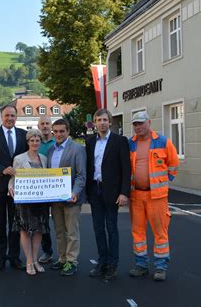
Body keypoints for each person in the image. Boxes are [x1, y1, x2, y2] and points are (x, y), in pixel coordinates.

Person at [128, 111, 179, 281]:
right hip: (136, 195)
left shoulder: (162, 142)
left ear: (149, 122)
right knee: (138, 232)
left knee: (160, 232)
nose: (138, 127)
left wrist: (164, 181)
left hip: (157, 197)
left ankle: (160, 267)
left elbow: (173, 164)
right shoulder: (131, 144)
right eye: (135, 124)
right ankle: (141, 265)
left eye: (141, 123)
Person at [85, 109, 131, 281]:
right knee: (98, 229)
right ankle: (102, 262)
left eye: (105, 120)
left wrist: (124, 192)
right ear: (94, 123)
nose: (102, 123)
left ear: (110, 122)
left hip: (112, 192)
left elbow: (126, 169)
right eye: (98, 120)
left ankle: (113, 265)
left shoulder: (120, 141)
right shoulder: (89, 142)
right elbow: (89, 168)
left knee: (111, 228)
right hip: (95, 191)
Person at [0, 105, 28, 271]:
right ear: (1, 117)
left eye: (13, 115)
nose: (10, 118)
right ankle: (0, 258)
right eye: (7, 115)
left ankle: (14, 257)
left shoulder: (23, 135)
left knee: (15, 224)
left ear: (16, 117)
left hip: (18, 187)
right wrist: (2, 169)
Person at [47, 118, 86, 276]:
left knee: (72, 232)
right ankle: (62, 258)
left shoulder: (77, 149)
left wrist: (75, 192)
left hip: (71, 199)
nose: (58, 134)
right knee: (59, 231)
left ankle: (72, 261)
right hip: (55, 199)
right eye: (55, 131)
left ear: (68, 132)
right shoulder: (51, 150)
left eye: (62, 131)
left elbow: (81, 175)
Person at [8, 129, 49, 276]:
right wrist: (11, 188)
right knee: (25, 230)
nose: (35, 143)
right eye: (32, 140)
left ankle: (36, 260)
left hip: (40, 200)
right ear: (28, 142)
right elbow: (13, 178)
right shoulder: (19, 159)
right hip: (24, 200)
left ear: (40, 142)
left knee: (38, 230)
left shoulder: (44, 158)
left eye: (37, 140)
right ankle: (29, 261)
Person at [36, 115, 55, 264]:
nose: (45, 126)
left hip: (56, 187)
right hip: (41, 188)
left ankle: (65, 254)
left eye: (47, 123)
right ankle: (47, 251)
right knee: (43, 222)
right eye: (42, 124)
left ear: (51, 125)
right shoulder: (35, 144)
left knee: (61, 223)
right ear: (38, 126)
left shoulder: (58, 142)